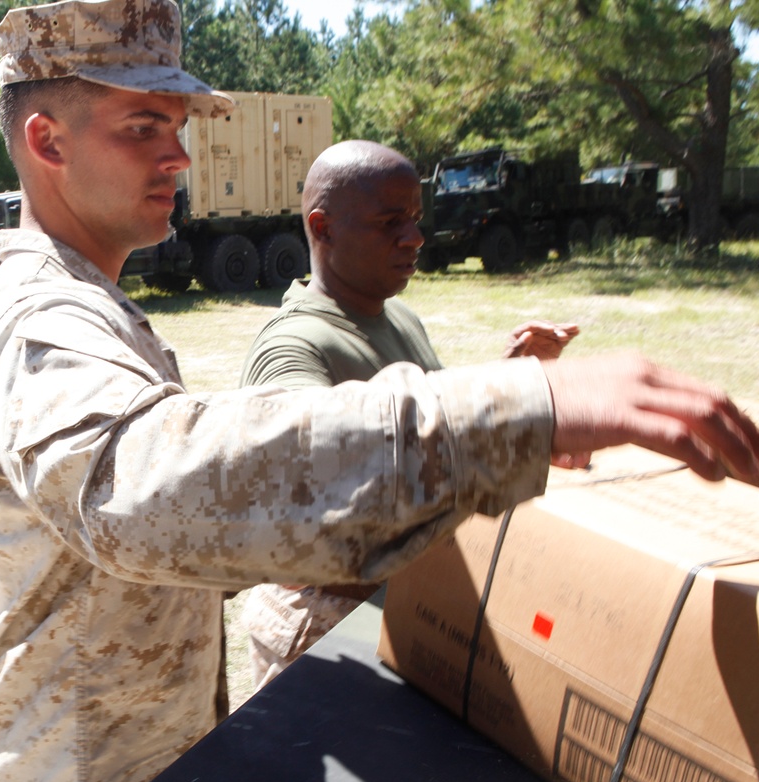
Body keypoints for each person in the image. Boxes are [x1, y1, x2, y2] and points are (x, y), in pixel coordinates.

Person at [0, 1, 759, 782]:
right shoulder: (37, 321)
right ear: (47, 141)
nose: (180, 159)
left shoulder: (86, 304)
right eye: (142, 128)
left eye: (179, 127)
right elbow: (139, 491)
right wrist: (518, 407)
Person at [238, 139, 582, 689]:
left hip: (399, 601)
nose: (416, 237)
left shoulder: (397, 315)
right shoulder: (294, 348)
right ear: (323, 228)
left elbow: (429, 421)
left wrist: (506, 378)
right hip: (325, 625)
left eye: (417, 218)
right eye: (391, 221)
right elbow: (302, 503)